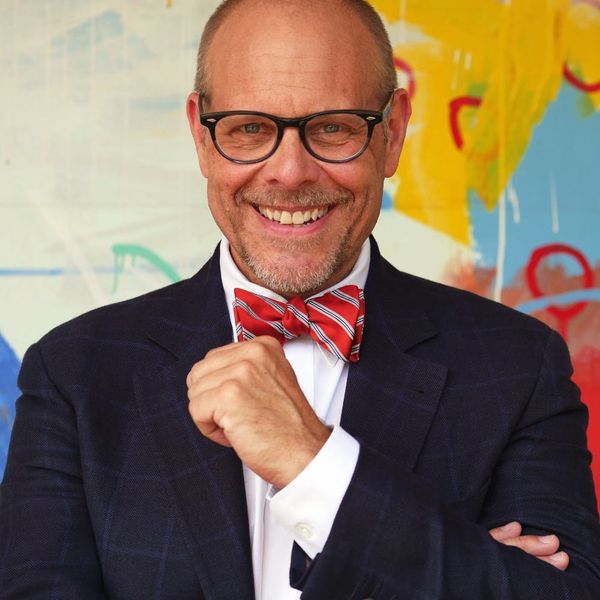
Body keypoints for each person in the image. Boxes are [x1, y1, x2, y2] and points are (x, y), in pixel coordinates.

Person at [1, 0, 599, 598]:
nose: (290, 173)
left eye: (334, 126)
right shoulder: (74, 372)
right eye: (249, 129)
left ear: (392, 134)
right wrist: (463, 565)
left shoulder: (519, 365)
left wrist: (313, 464)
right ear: (202, 137)